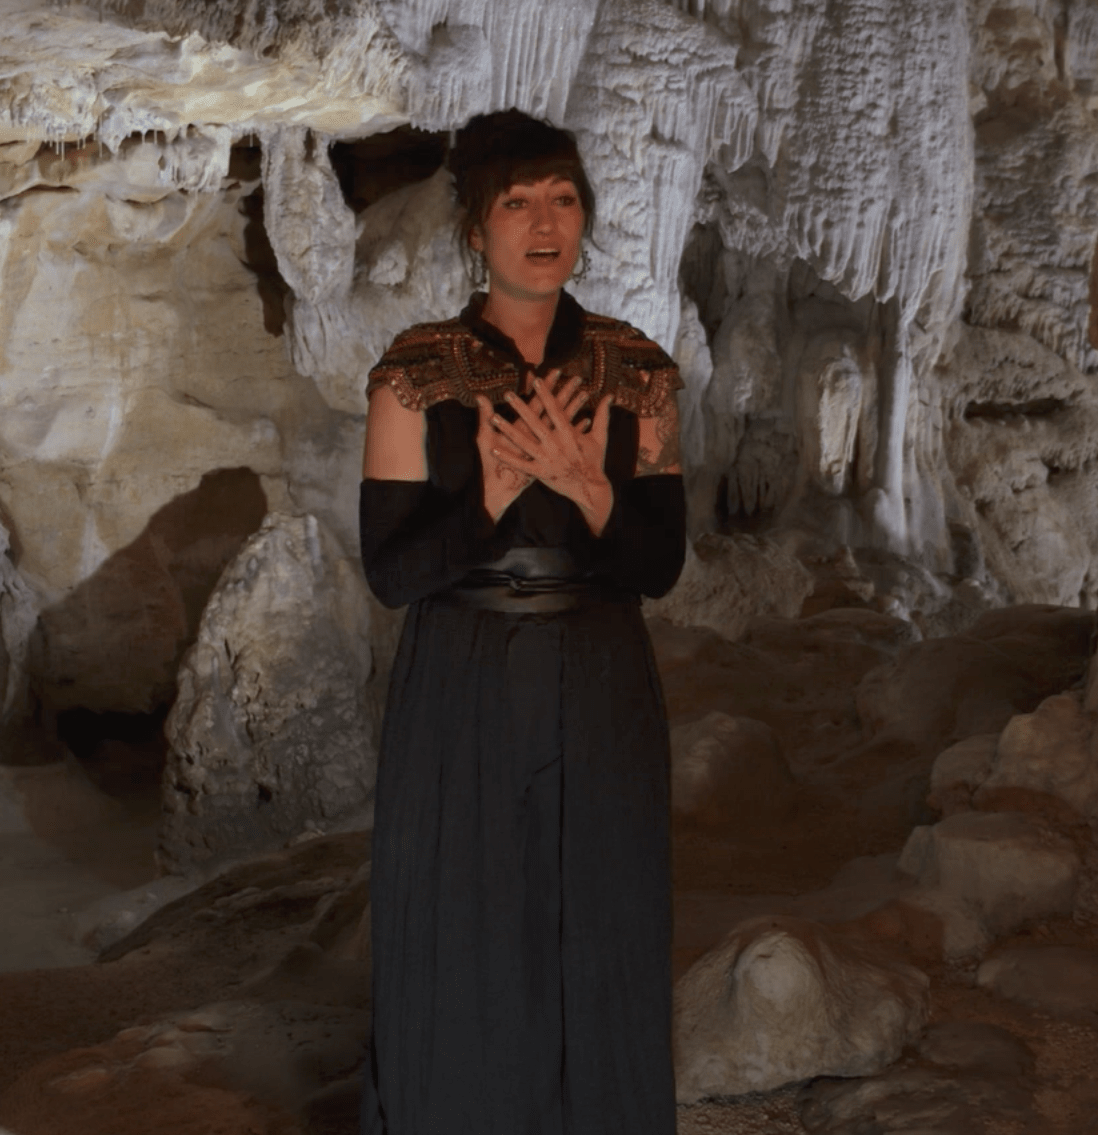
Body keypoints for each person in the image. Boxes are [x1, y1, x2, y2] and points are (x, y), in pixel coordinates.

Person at [357, 108, 687, 1135]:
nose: (542, 220)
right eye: (515, 201)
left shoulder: (640, 374)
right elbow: (390, 572)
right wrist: (487, 499)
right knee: (468, 914)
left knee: (598, 911)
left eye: (561, 198)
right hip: (461, 673)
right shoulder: (412, 375)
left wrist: (593, 494)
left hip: (597, 674)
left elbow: (659, 565)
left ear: (582, 218)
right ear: (473, 228)